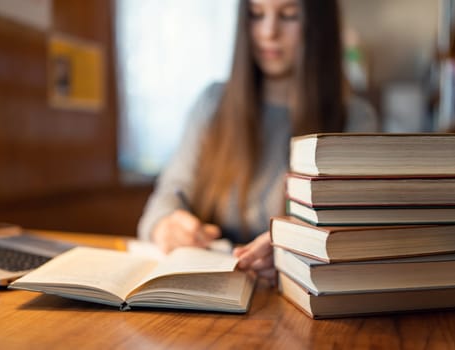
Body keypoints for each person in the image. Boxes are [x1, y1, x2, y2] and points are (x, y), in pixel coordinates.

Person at [138, 0, 378, 284]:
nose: (268, 32)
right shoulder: (212, 104)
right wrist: (166, 225)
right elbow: (168, 194)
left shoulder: (354, 120)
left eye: (289, 15)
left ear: (319, 25)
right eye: (255, 14)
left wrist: (294, 250)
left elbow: (355, 233)